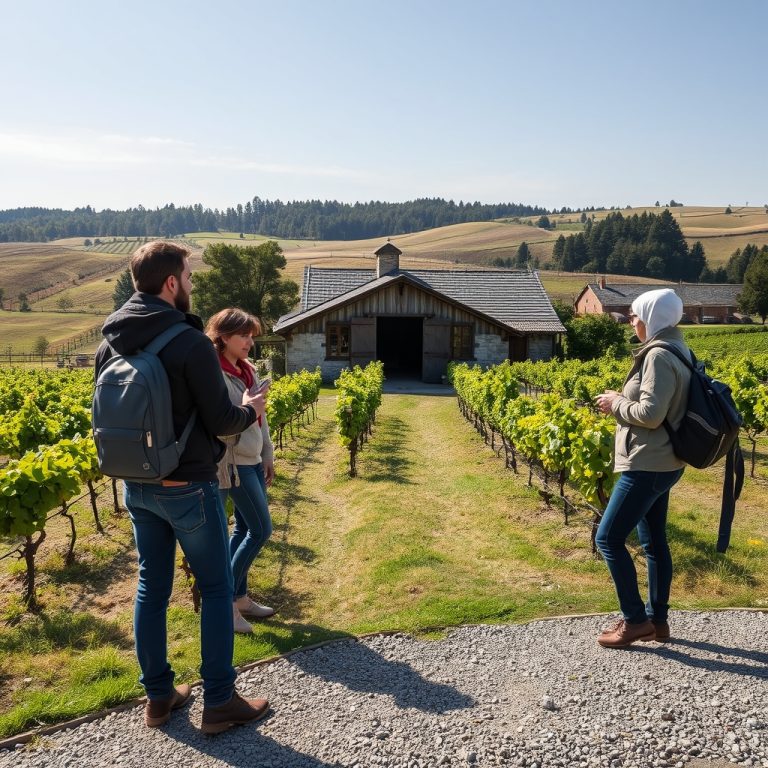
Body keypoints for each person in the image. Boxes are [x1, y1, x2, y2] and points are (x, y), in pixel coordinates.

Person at [94, 241, 271, 732]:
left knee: (151, 585)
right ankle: (219, 701)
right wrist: (252, 409)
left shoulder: (110, 339)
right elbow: (221, 421)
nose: (192, 285)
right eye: (189, 277)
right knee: (215, 589)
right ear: (171, 283)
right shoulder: (188, 340)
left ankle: (158, 697)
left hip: (136, 484)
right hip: (189, 485)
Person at [593, 288, 692, 648]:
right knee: (653, 542)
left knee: (607, 538)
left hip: (648, 464)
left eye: (635, 315)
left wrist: (616, 401)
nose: (632, 321)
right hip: (664, 461)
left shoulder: (658, 356)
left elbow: (650, 415)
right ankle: (657, 621)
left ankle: (635, 621)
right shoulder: (678, 348)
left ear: (652, 316)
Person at [205, 308, 276, 635]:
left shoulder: (246, 370)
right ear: (223, 337)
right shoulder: (214, 376)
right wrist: (248, 408)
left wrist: (267, 454)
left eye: (252, 335)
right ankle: (226, 604)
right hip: (232, 465)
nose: (250, 341)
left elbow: (260, 419)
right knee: (261, 530)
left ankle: (241, 598)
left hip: (251, 459)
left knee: (244, 529)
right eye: (243, 335)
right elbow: (221, 429)